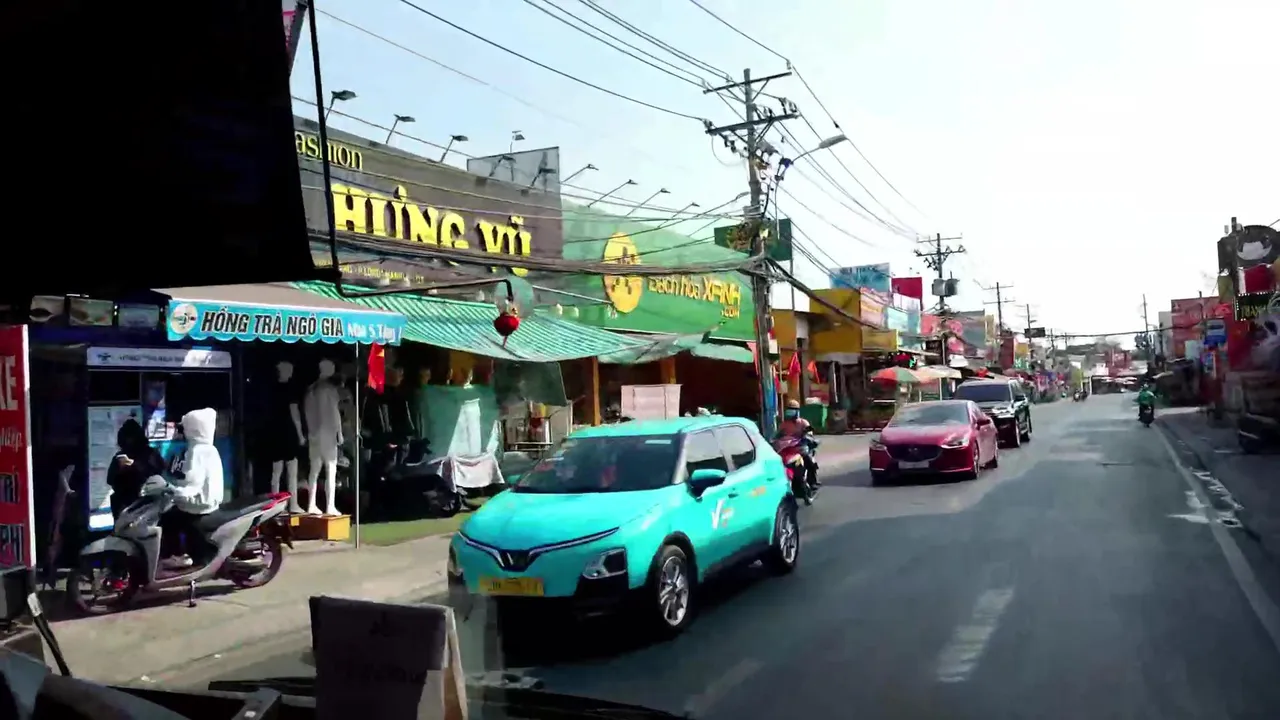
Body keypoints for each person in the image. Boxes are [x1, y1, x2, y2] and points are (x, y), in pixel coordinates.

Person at [162, 408, 225, 566]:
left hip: (197, 505)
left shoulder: (196, 451)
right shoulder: (210, 449)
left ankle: (177, 555)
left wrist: (172, 491)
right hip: (210, 504)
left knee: (168, 518)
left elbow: (192, 485)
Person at [106, 419, 166, 521]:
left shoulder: (150, 453)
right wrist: (120, 470)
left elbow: (157, 472)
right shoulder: (120, 456)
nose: (129, 441)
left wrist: (134, 466)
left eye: (131, 437)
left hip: (145, 501)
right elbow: (110, 480)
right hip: (124, 503)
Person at [779, 399, 820, 488]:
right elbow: (778, 435)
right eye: (789, 409)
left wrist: (806, 437)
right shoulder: (784, 424)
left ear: (797, 411)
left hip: (800, 447)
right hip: (788, 449)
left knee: (809, 461)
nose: (790, 411)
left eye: (793, 409)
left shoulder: (803, 422)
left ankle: (812, 481)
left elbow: (809, 433)